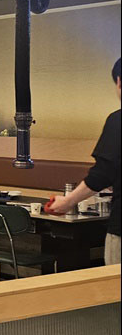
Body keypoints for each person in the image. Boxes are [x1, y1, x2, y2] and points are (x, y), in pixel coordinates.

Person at [46, 58, 121, 265]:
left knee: (114, 284)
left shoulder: (117, 120)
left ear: (119, 81)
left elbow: (102, 174)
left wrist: (67, 202)